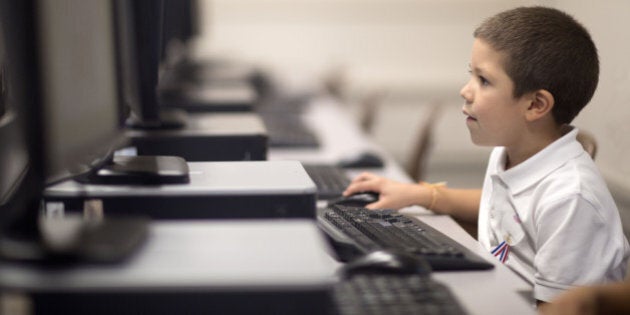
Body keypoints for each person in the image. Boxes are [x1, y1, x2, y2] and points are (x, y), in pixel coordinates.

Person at [343, 6, 630, 304]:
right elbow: (502, 206)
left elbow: (562, 309)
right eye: (472, 75)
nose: (465, 91)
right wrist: (419, 194)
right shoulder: (513, 152)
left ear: (535, 105)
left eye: (484, 80)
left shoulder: (571, 198)